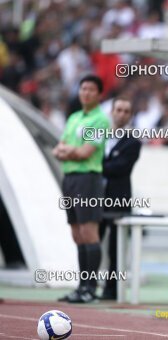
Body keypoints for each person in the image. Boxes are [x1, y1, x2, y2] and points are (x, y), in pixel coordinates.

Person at [53, 75, 110, 303]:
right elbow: (58, 149)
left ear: (98, 94)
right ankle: (81, 287)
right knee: (76, 233)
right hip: (70, 179)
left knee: (88, 232)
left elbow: (84, 153)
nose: (85, 93)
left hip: (88, 179)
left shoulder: (100, 120)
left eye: (90, 89)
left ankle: (90, 288)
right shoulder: (74, 118)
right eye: (83, 88)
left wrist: (68, 151)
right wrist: (69, 151)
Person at [99, 97, 141, 300]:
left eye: (126, 111)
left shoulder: (133, 142)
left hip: (119, 200)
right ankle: (86, 286)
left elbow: (119, 168)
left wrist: (93, 166)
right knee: (91, 243)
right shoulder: (99, 137)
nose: (122, 114)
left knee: (116, 248)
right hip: (96, 200)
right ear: (112, 112)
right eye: (119, 110)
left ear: (130, 115)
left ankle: (111, 290)